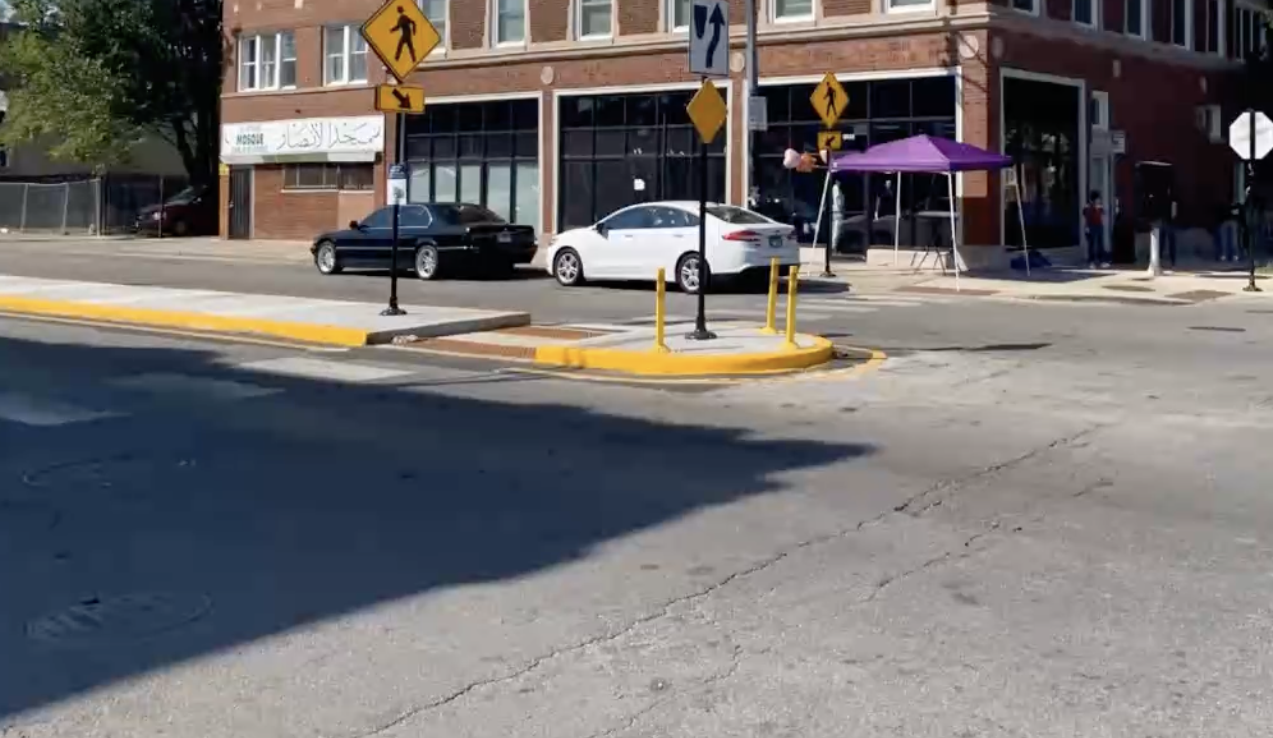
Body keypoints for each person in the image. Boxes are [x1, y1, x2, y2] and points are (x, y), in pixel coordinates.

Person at [1083, 190, 1108, 268]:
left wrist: (1100, 209)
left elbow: (1103, 213)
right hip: (1092, 226)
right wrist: (1087, 228)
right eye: (1098, 199)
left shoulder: (1099, 206)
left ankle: (1102, 261)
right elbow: (1087, 217)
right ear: (1094, 199)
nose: (1099, 200)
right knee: (1092, 245)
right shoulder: (1089, 207)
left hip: (1099, 226)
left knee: (1100, 244)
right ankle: (1091, 262)